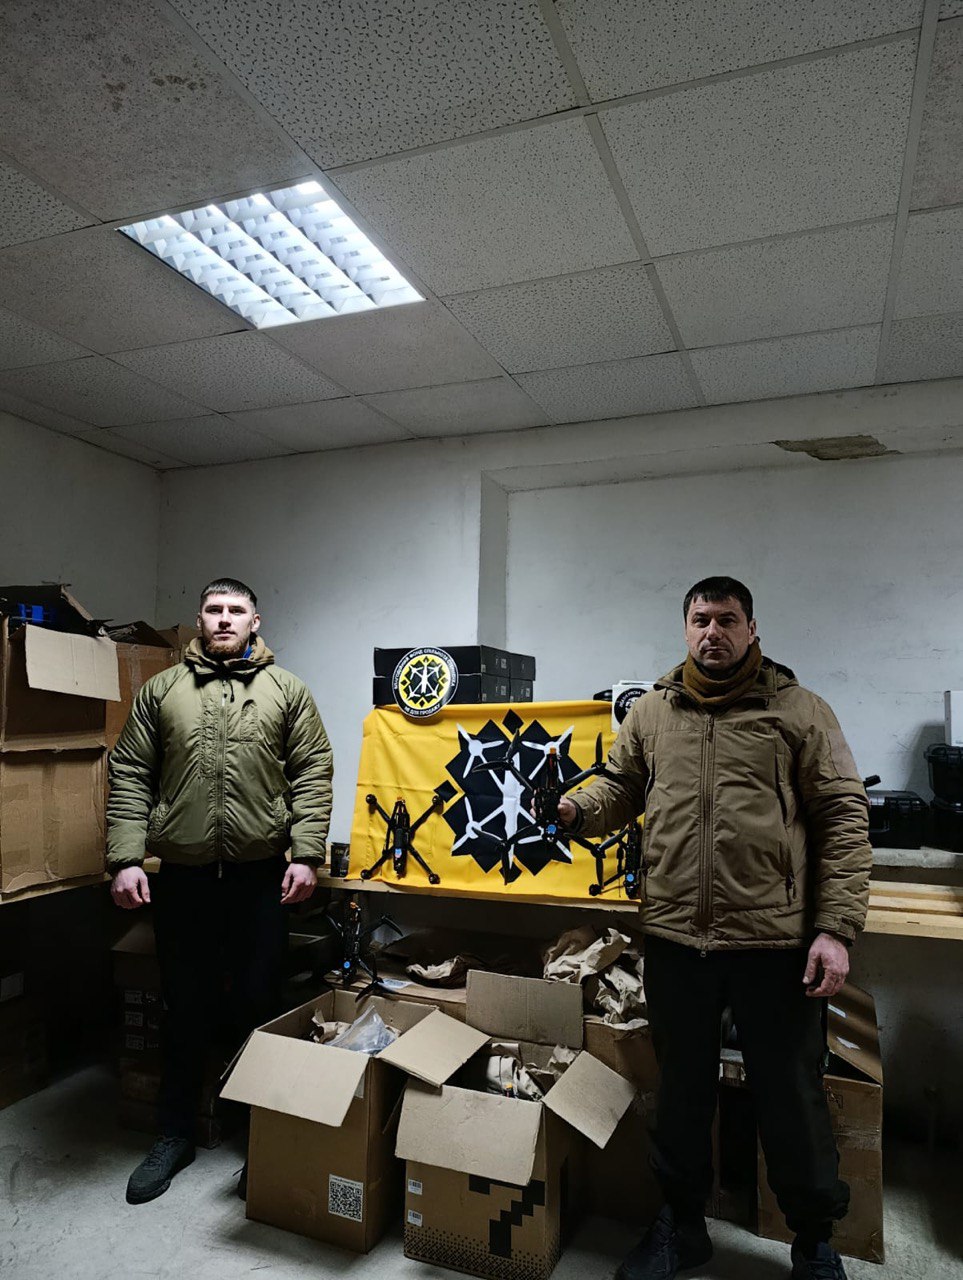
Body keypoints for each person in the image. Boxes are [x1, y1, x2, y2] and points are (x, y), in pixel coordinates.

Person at [559, 576, 871, 1280]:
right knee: (680, 1095)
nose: (713, 633)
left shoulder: (799, 711)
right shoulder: (652, 712)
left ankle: (813, 1241)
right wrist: (578, 809)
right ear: (685, 630)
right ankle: (681, 1225)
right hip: (676, 939)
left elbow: (843, 819)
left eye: (727, 620)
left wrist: (834, 929)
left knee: (790, 1097)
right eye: (700, 620)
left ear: (751, 629)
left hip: (774, 944)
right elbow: (621, 786)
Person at [106, 578, 333, 1204]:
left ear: (256, 621)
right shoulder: (162, 691)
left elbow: (312, 771)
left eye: (236, 610)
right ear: (200, 619)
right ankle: (174, 1133)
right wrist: (126, 858)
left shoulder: (287, 691)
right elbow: (130, 772)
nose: (224, 619)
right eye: (214, 609)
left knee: (259, 1004)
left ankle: (261, 1136)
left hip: (261, 879)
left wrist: (306, 854)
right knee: (184, 1005)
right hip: (184, 878)